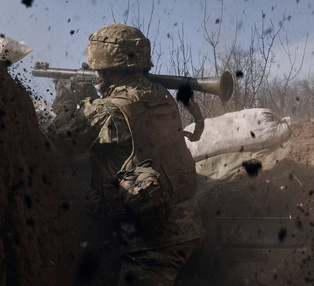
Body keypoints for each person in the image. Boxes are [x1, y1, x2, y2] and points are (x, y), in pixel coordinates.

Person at [49, 23, 202, 286]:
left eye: (97, 69)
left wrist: (64, 99)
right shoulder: (160, 94)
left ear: (106, 67)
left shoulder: (106, 110)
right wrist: (90, 98)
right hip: (187, 224)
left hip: (151, 242)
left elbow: (63, 141)